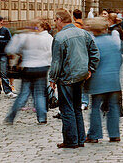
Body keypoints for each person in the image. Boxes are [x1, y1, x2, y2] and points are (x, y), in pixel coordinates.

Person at [48, 8, 99, 148]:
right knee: (76, 108)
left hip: (66, 77)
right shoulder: (83, 33)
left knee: (67, 109)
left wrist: (52, 78)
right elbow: (95, 52)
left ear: (59, 20)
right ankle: (80, 138)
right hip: (80, 76)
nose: (54, 23)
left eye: (55, 20)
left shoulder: (59, 37)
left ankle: (71, 140)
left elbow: (56, 62)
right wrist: (90, 69)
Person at [4, 19, 53, 125]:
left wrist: (21, 52)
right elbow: (51, 52)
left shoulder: (24, 36)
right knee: (40, 94)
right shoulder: (47, 38)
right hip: (42, 67)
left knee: (23, 94)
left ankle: (11, 116)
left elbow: (10, 49)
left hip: (28, 67)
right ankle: (42, 118)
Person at [84, 17, 123, 144]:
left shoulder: (94, 42)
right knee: (113, 107)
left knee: (95, 107)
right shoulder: (112, 41)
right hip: (113, 80)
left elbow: (91, 61)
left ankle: (94, 134)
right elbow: (120, 59)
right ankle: (114, 134)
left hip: (98, 80)